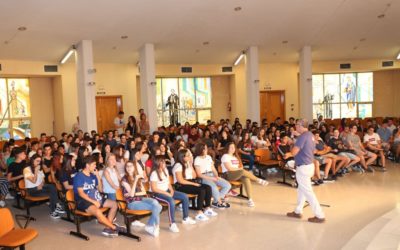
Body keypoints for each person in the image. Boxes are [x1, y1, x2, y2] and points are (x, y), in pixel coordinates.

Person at [73, 156, 124, 237]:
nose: (95, 166)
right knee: (98, 211)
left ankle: (108, 227)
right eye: (93, 164)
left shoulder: (93, 175)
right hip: (82, 200)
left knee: (114, 204)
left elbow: (100, 190)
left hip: (96, 197)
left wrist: (98, 177)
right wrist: (93, 202)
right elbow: (81, 193)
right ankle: (113, 227)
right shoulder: (79, 176)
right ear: (87, 165)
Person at [286, 118, 325, 223]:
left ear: (301, 125)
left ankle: (319, 215)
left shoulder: (302, 137)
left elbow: (294, 152)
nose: (295, 127)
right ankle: (298, 211)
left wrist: (289, 153)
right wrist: (296, 137)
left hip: (303, 168)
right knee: (302, 190)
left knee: (308, 192)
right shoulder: (310, 135)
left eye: (297, 125)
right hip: (309, 165)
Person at [149, 156, 196, 233]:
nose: (164, 163)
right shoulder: (154, 173)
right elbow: (154, 189)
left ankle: (186, 218)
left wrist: (171, 191)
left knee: (184, 196)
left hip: (166, 191)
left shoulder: (165, 170)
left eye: (164, 161)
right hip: (157, 194)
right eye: (163, 162)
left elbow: (168, 183)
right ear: (158, 163)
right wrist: (167, 194)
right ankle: (172, 224)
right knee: (171, 201)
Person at [172, 149, 218, 221]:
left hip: (189, 182)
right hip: (181, 185)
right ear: (182, 157)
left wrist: (190, 165)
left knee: (208, 187)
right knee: (201, 190)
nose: (189, 157)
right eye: (187, 156)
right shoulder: (178, 165)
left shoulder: (187, 164)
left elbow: (194, 176)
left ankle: (207, 208)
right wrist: (194, 184)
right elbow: (180, 180)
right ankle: (199, 213)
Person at [121, 161, 162, 237]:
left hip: (140, 199)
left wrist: (133, 194)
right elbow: (132, 194)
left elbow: (143, 192)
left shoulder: (137, 177)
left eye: (131, 166)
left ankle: (150, 225)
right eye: (127, 166)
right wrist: (136, 180)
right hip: (132, 203)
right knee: (158, 207)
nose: (129, 168)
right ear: (125, 168)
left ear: (134, 167)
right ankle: (155, 226)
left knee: (156, 202)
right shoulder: (124, 180)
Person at [221, 142, 268, 207]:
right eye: (231, 147)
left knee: (246, 178)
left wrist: (240, 169)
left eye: (234, 147)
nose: (233, 149)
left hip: (236, 174)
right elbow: (229, 168)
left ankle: (250, 199)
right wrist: (239, 169)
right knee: (242, 171)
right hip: (228, 175)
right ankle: (258, 180)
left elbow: (240, 166)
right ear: (227, 148)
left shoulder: (235, 157)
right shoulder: (225, 156)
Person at [24, 154, 65, 218]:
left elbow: (43, 180)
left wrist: (41, 184)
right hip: (32, 190)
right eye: (37, 161)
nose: (38, 163)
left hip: (41, 187)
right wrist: (36, 171)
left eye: (39, 161)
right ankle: (53, 211)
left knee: (52, 187)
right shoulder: (26, 169)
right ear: (32, 160)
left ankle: (56, 205)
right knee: (51, 193)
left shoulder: (39, 168)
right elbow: (34, 181)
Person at [194, 143, 231, 209]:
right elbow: (199, 174)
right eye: (205, 149)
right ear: (201, 150)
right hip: (203, 177)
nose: (206, 150)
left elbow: (213, 168)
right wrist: (211, 178)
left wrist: (216, 176)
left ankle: (216, 200)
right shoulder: (197, 159)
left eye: (206, 148)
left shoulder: (208, 157)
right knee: (214, 187)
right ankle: (218, 202)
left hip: (212, 175)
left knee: (227, 185)